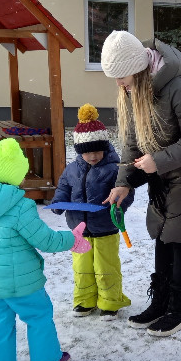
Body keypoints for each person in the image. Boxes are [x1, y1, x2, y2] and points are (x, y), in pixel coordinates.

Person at [100, 30, 181, 337]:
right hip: (163, 177)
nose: (118, 84)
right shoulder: (134, 90)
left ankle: (179, 309)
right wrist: (124, 182)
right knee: (163, 237)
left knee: (180, 240)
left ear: (136, 68)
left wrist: (159, 161)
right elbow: (131, 141)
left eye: (121, 76)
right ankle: (161, 301)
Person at [0, 134, 91, 361]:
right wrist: (71, 239)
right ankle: (46, 358)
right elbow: (44, 240)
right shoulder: (20, 207)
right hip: (21, 280)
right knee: (38, 314)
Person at [51, 103, 134, 320]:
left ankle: (110, 302)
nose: (93, 156)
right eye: (87, 152)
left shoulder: (115, 169)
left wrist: (118, 206)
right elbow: (63, 189)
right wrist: (58, 203)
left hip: (105, 227)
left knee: (106, 268)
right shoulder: (71, 169)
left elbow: (126, 192)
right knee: (82, 268)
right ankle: (84, 301)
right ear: (80, 151)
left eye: (97, 150)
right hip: (79, 230)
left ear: (105, 147)